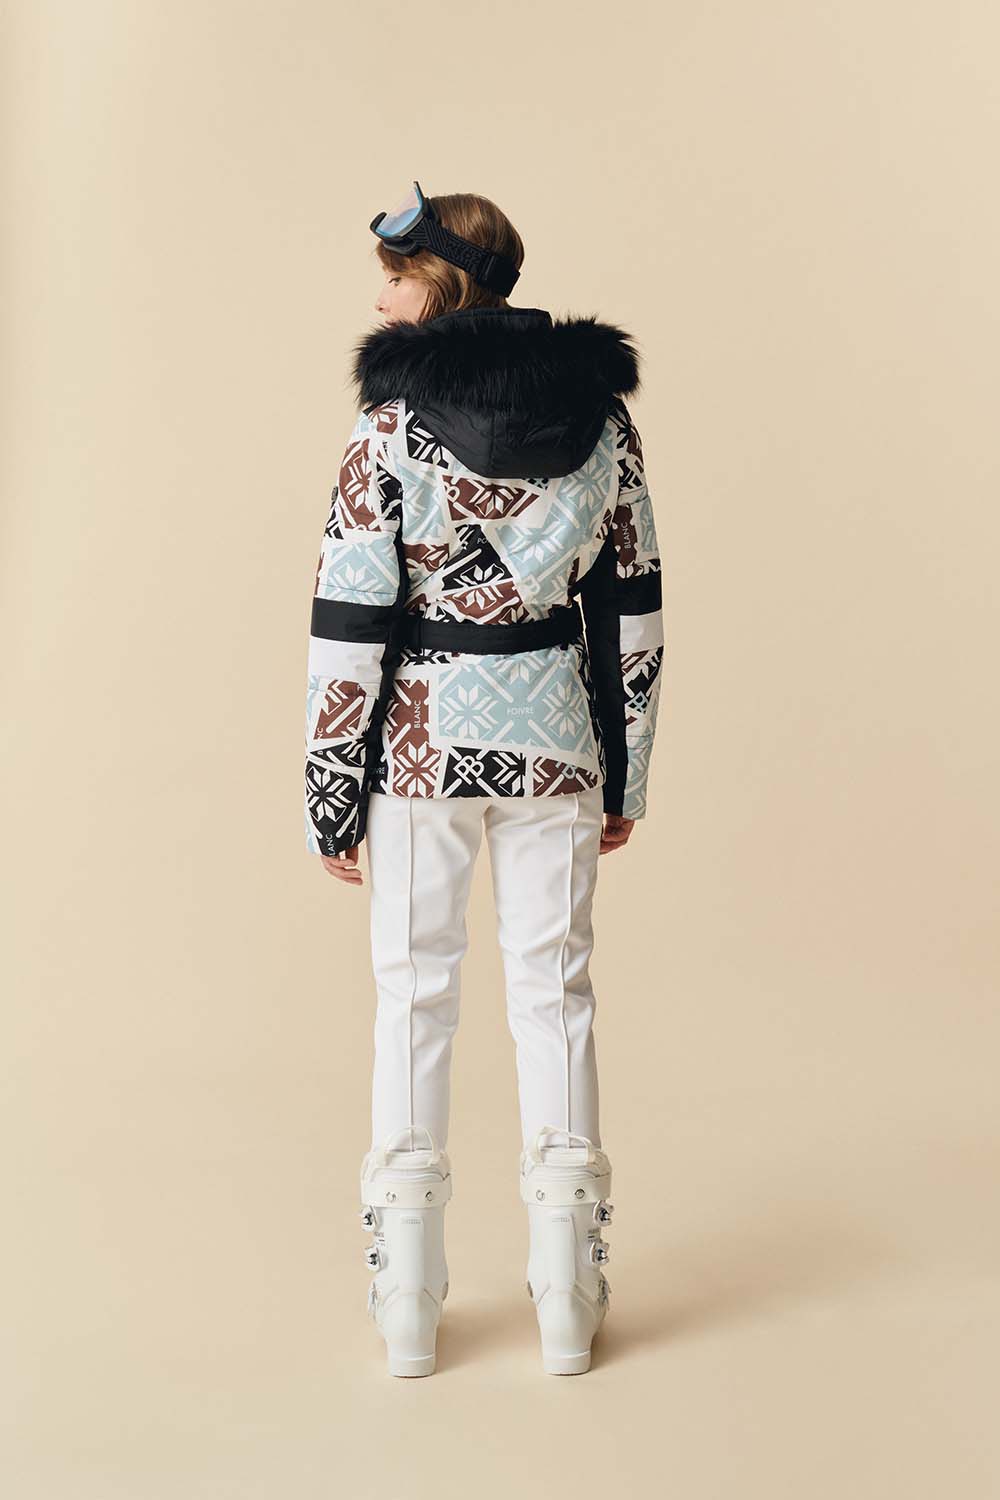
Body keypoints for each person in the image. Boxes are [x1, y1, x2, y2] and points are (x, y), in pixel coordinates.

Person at [303, 183, 664, 1376]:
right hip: (556, 738)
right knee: (553, 991)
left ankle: (408, 1301)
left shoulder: (387, 428)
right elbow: (631, 608)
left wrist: (332, 786)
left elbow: (351, 618)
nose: (379, 301)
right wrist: (624, 771)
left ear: (444, 284)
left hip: (419, 745)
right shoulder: (603, 422)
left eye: (394, 278)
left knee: (414, 993)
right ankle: (567, 1293)